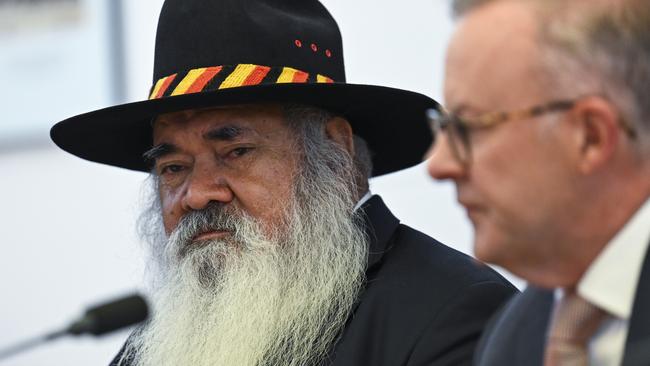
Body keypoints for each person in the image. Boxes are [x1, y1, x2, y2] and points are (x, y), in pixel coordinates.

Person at [51, 0, 516, 365]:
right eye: (173, 167)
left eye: (235, 153)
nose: (196, 194)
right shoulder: (158, 345)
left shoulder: (455, 314)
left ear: (335, 154)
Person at [427, 0, 650, 365]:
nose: (438, 165)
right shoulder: (518, 332)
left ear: (590, 136)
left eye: (468, 128)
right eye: (441, 126)